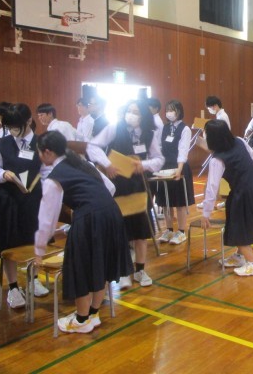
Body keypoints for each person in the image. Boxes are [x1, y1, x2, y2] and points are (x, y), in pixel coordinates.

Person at [34, 131, 133, 333]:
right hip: (111, 212)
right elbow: (110, 187)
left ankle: (81, 320)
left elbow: (47, 219)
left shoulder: (54, 178)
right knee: (101, 263)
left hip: (90, 218)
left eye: (39, 152)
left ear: (47, 152)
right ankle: (93, 314)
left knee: (82, 267)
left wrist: (39, 250)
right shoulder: (81, 162)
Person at [87, 100, 164, 289]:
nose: (131, 114)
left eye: (136, 112)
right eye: (129, 110)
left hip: (138, 186)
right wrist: (107, 164)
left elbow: (159, 159)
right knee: (120, 230)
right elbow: (92, 146)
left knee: (141, 230)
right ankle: (122, 271)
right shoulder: (115, 128)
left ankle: (140, 269)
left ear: (143, 115)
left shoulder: (149, 133)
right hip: (117, 185)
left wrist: (143, 165)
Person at [0, 103, 49, 309]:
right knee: (9, 244)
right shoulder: (2, 143)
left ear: (29, 121)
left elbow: (48, 171)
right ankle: (13, 287)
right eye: (10, 127)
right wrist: (3, 174)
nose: (13, 131)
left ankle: (33, 279)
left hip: (34, 198)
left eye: (16, 127)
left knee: (34, 240)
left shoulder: (41, 143)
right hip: (9, 199)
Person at [200, 120, 253, 276]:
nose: (203, 135)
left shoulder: (217, 159)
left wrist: (206, 213)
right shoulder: (239, 141)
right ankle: (240, 256)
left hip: (243, 191)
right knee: (244, 222)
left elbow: (212, 187)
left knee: (238, 225)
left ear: (212, 138)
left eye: (205, 133)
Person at [156, 100, 195, 245]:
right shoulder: (164, 128)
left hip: (179, 166)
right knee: (165, 201)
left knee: (179, 201)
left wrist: (179, 169)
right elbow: (159, 146)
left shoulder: (185, 129)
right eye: (167, 110)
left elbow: (183, 150)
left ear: (179, 111)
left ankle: (181, 231)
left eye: (172, 110)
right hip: (165, 167)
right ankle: (169, 230)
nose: (169, 113)